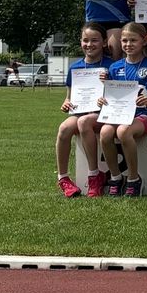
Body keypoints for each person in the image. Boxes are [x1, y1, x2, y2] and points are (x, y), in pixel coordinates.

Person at [98, 22, 147, 197]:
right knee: (105, 132)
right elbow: (109, 96)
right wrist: (102, 99)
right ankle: (116, 177)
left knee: (124, 131)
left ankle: (134, 179)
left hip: (144, 116)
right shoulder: (115, 67)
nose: (128, 44)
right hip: (119, 115)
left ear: (144, 41)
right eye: (124, 41)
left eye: (133, 40)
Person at [54, 23, 112, 198]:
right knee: (64, 128)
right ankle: (63, 178)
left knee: (83, 122)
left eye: (94, 40)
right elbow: (69, 96)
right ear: (80, 42)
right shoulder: (75, 67)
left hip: (103, 113)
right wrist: (66, 104)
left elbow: (119, 93)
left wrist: (108, 83)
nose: (89, 44)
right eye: (85, 40)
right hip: (81, 111)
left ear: (104, 43)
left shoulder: (112, 66)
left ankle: (94, 175)